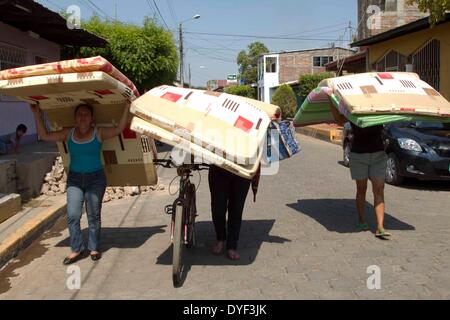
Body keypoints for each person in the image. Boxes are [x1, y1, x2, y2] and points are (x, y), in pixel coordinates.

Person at [30, 102, 131, 264]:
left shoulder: (98, 132)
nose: (82, 117)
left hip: (96, 179)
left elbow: (119, 129)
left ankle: (93, 247)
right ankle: (76, 249)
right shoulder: (68, 134)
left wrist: (126, 108)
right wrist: (36, 113)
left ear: (92, 118)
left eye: (86, 114)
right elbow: (44, 136)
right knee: (72, 215)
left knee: (93, 216)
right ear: (75, 119)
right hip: (75, 179)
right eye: (79, 114)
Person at [329, 103, 391, 239]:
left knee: (379, 190)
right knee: (361, 189)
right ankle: (362, 221)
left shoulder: (380, 109)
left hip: (378, 155)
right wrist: (330, 101)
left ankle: (380, 226)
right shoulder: (354, 109)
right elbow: (340, 120)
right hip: (359, 156)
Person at [209, 165, 251, 260]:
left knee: (236, 209)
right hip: (219, 168)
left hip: (244, 170)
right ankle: (220, 238)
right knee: (218, 208)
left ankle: (232, 246)